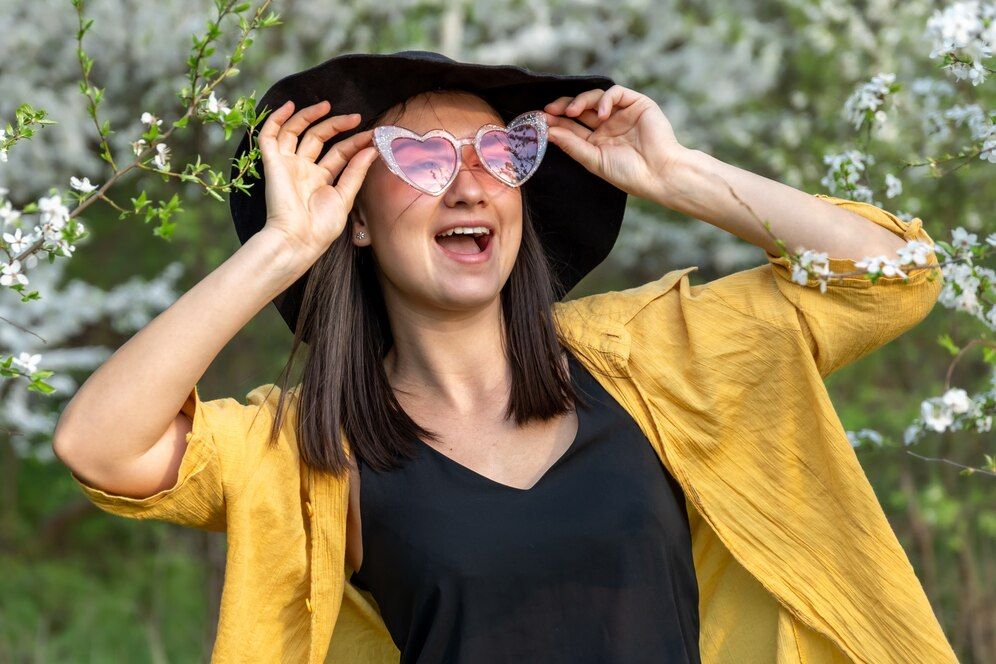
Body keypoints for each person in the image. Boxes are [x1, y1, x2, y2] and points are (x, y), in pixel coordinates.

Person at [53, 51, 958, 663]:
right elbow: (103, 446)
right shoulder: (306, 452)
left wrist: (682, 178)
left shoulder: (653, 355)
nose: (470, 179)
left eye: (499, 150)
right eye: (419, 156)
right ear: (355, 217)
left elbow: (893, 278)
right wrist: (284, 248)